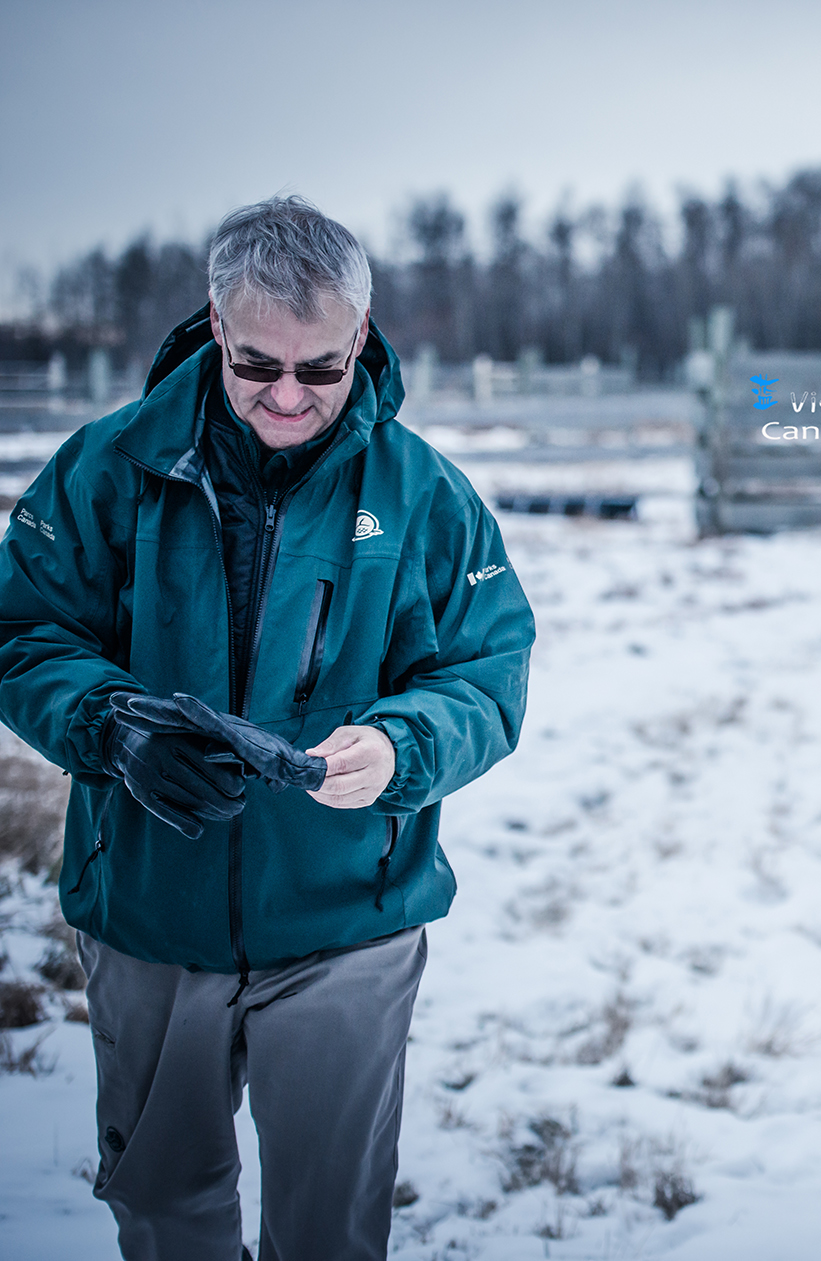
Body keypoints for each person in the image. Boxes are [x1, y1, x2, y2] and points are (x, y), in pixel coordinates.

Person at [0, 196, 535, 1260]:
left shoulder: (427, 497)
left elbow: (486, 670)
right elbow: (25, 631)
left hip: (350, 922)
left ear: (362, 339)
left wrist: (403, 748)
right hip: (149, 913)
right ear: (214, 322)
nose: (287, 395)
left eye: (320, 370)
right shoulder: (109, 468)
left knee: (331, 1228)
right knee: (162, 1211)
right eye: (256, 366)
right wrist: (114, 730)